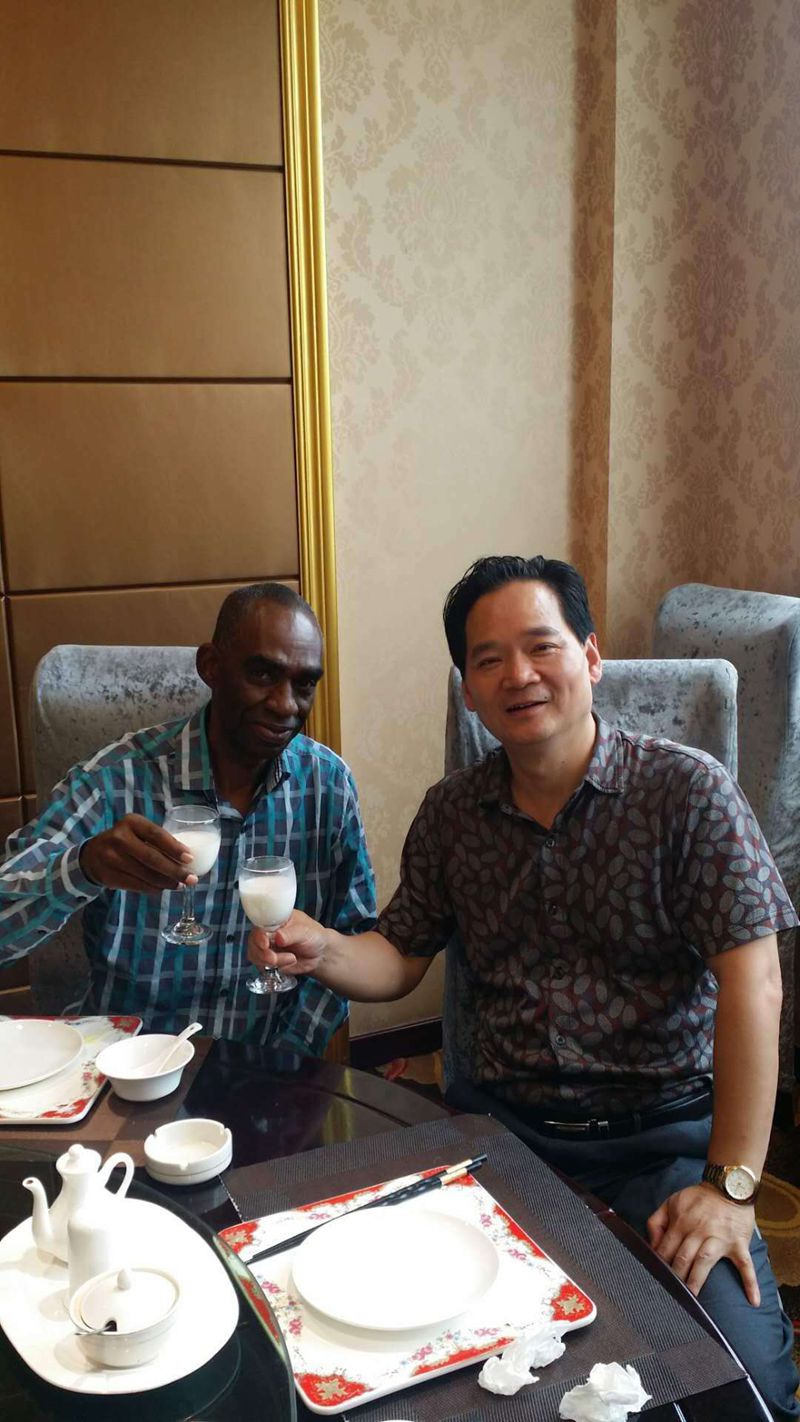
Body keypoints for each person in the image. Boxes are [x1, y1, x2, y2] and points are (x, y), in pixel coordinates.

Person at [249, 555, 800, 1420]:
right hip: (503, 1143)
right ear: (468, 690)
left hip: (663, 1145)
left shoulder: (686, 792)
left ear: (591, 656)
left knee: (742, 1389)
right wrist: (322, 949)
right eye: (488, 659)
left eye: (542, 646)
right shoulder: (451, 814)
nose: (519, 674)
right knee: (416, 1366)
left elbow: (755, 984)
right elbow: (398, 957)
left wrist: (730, 1187)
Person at [0, 583, 376, 1053]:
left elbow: (352, 943)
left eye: (304, 685)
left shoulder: (327, 786)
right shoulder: (117, 781)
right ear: (210, 666)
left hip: (265, 1066)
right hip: (128, 1062)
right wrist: (83, 866)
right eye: (263, 674)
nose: (285, 704)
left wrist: (290, 1055)